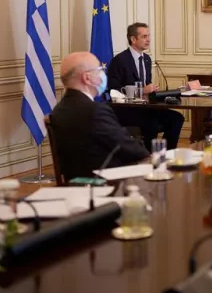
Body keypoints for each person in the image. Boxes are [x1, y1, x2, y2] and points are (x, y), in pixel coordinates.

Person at [51, 52, 149, 180]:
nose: (103, 74)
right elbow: (129, 149)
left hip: (75, 182)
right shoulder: (95, 111)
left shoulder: (58, 110)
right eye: (99, 70)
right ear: (87, 78)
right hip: (106, 182)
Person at [107, 22, 184, 150]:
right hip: (126, 110)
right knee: (151, 122)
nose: (148, 40)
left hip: (146, 107)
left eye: (149, 36)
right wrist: (141, 90)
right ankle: (149, 157)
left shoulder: (147, 59)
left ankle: (167, 154)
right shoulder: (119, 60)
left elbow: (147, 86)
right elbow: (113, 90)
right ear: (133, 39)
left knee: (177, 118)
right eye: (144, 36)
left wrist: (153, 91)